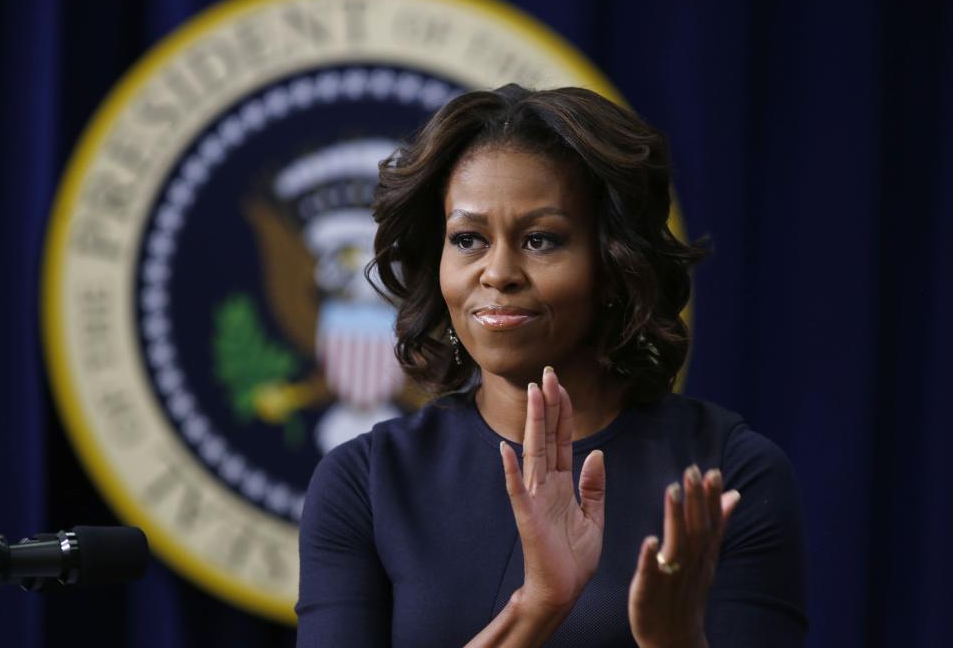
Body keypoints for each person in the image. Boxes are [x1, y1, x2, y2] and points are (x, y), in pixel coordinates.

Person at [295, 85, 808, 647]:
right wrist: (539, 605)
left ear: (613, 265)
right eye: (467, 239)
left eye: (541, 240)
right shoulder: (365, 482)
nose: (498, 273)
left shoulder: (727, 474)